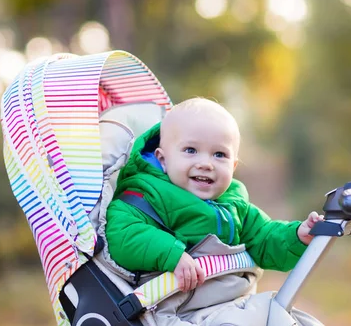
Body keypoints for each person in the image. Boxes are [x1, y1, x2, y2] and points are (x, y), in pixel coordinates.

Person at [105, 97, 324, 292]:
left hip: (228, 300)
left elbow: (264, 238)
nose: (205, 164)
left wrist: (297, 236)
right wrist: (171, 255)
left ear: (234, 166)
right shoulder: (145, 195)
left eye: (219, 154)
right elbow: (123, 234)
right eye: (191, 150)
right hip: (177, 307)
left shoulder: (234, 204)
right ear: (163, 159)